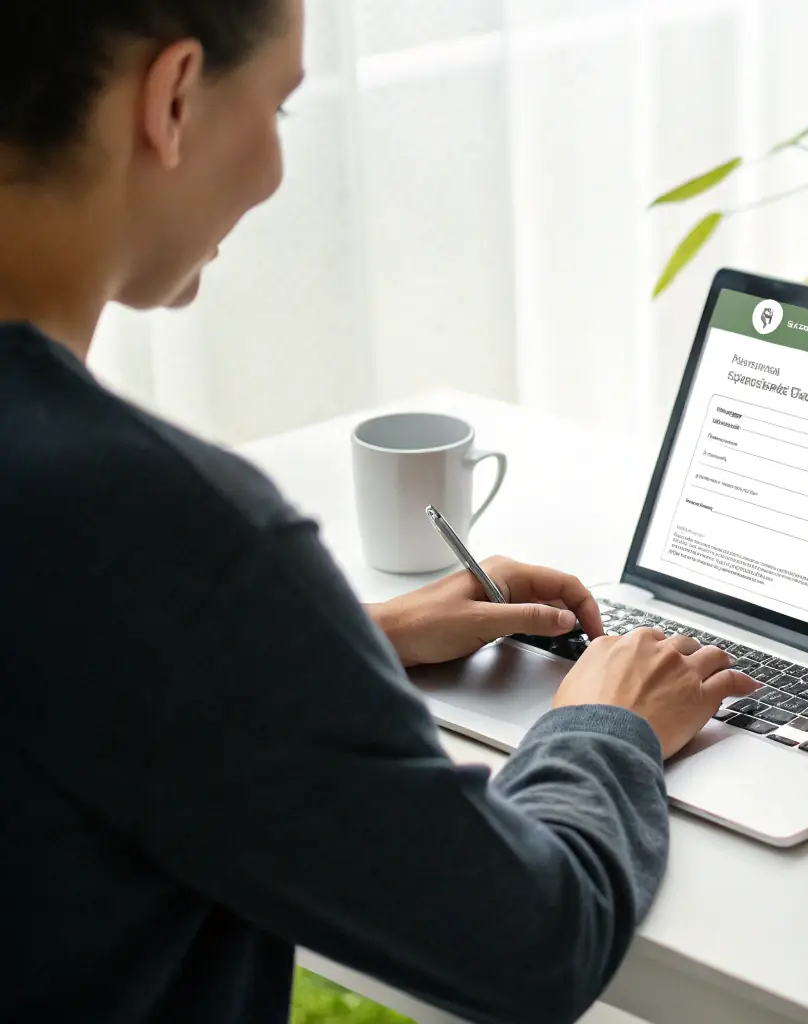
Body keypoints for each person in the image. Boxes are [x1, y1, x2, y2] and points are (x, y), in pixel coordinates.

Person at [0, 3, 758, 1022]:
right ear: (173, 95)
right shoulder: (161, 531)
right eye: (279, 105)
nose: (272, 169)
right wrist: (603, 722)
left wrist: (326, 644)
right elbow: (532, 942)